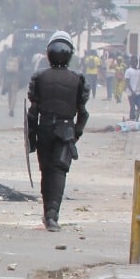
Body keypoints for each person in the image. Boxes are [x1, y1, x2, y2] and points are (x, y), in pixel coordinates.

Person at [28, 31, 90, 232]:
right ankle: (53, 215)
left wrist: (31, 138)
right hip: (65, 130)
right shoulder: (78, 79)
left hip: (44, 128)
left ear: (48, 54)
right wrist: (76, 134)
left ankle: (48, 214)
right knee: (59, 171)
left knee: (46, 171)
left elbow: (32, 113)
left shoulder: (39, 77)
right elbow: (83, 113)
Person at [125, 56, 140, 123]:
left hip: (138, 93)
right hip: (131, 93)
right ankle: (132, 120)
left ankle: (136, 120)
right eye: (134, 61)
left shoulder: (139, 71)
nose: (135, 62)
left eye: (136, 61)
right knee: (132, 108)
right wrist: (132, 91)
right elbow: (127, 82)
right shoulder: (128, 71)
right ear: (131, 62)